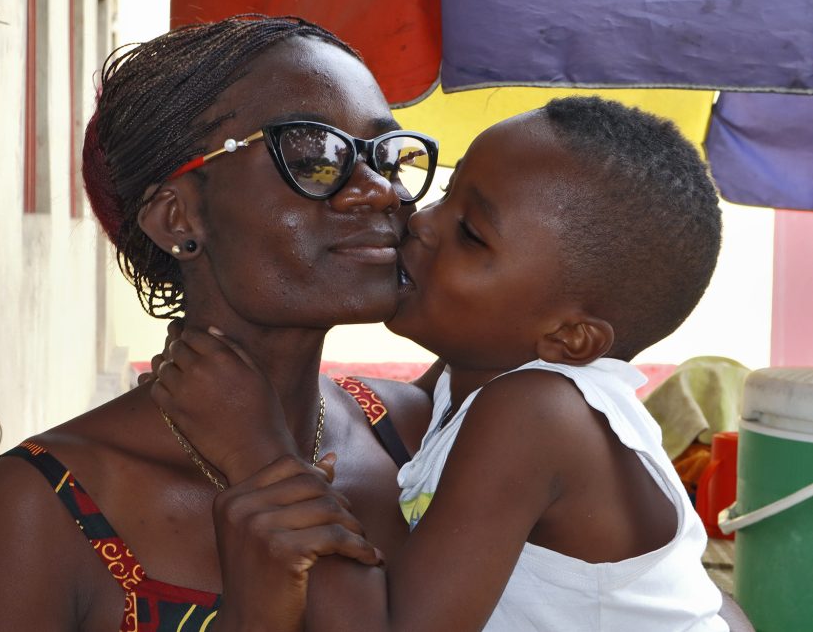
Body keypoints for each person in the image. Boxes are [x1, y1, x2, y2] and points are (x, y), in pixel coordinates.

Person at [151, 96, 743, 630]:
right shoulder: (471, 383)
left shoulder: (537, 412)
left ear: (569, 336)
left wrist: (258, 452)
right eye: (445, 193)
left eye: (471, 234)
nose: (419, 220)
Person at [0, 14, 442, 631]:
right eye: (316, 157)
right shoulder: (43, 505)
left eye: (387, 157)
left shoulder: (414, 435)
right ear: (177, 218)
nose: (380, 191)